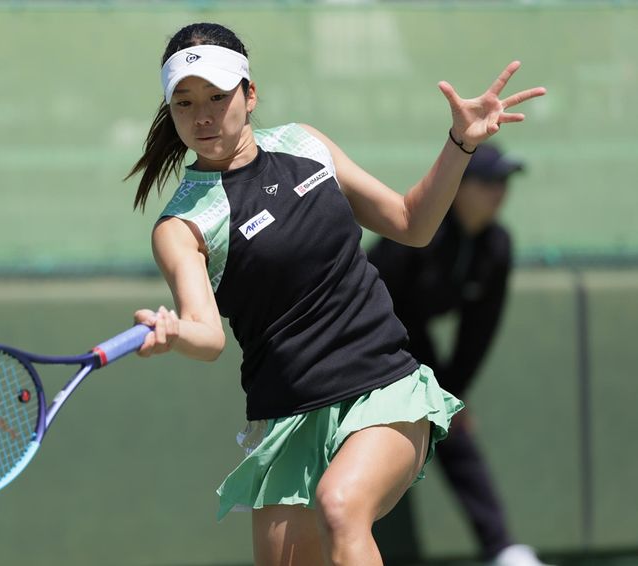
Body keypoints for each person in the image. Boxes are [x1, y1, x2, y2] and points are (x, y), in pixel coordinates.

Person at [125, 22, 546, 566]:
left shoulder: (306, 144)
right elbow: (206, 335)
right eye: (184, 102)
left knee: (341, 507)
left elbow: (411, 222)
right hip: (286, 418)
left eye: (217, 96)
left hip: (382, 386)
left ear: (250, 95)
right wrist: (175, 332)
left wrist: (460, 143)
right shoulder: (181, 224)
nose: (201, 115)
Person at [368, 144, 552, 566]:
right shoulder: (422, 229)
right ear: (460, 187)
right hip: (362, 332)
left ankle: (502, 548)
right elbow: (372, 292)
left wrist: (453, 393)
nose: (499, 192)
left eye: (504, 182)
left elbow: (478, 331)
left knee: (452, 424)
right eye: (488, 182)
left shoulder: (496, 246)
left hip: (413, 336)